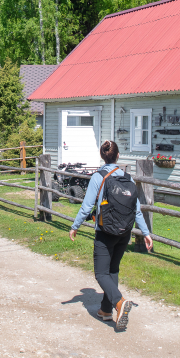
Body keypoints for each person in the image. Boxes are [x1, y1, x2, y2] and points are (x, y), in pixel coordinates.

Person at [68, 140, 153, 330]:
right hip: (124, 232)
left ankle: (119, 302)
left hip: (105, 231)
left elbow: (87, 206)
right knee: (112, 271)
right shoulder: (128, 178)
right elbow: (137, 210)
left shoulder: (99, 177)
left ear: (102, 156)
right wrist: (146, 233)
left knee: (100, 273)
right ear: (118, 156)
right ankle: (106, 310)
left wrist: (75, 226)